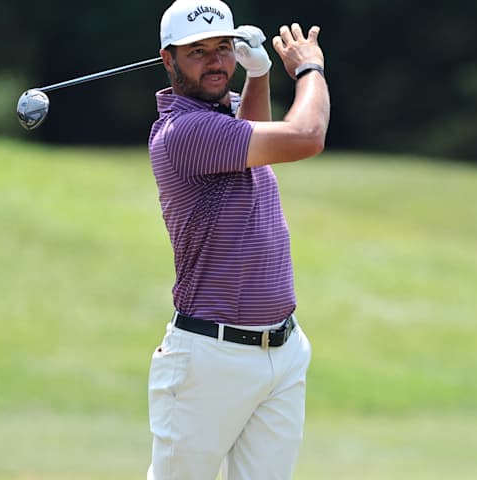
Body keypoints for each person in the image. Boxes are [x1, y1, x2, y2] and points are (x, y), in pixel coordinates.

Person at [145, 0, 330, 478]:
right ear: (169, 60)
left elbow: (251, 144)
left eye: (223, 48)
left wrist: (259, 76)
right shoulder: (185, 132)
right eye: (198, 51)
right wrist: (308, 69)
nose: (216, 61)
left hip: (283, 351)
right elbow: (306, 135)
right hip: (209, 359)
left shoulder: (221, 118)